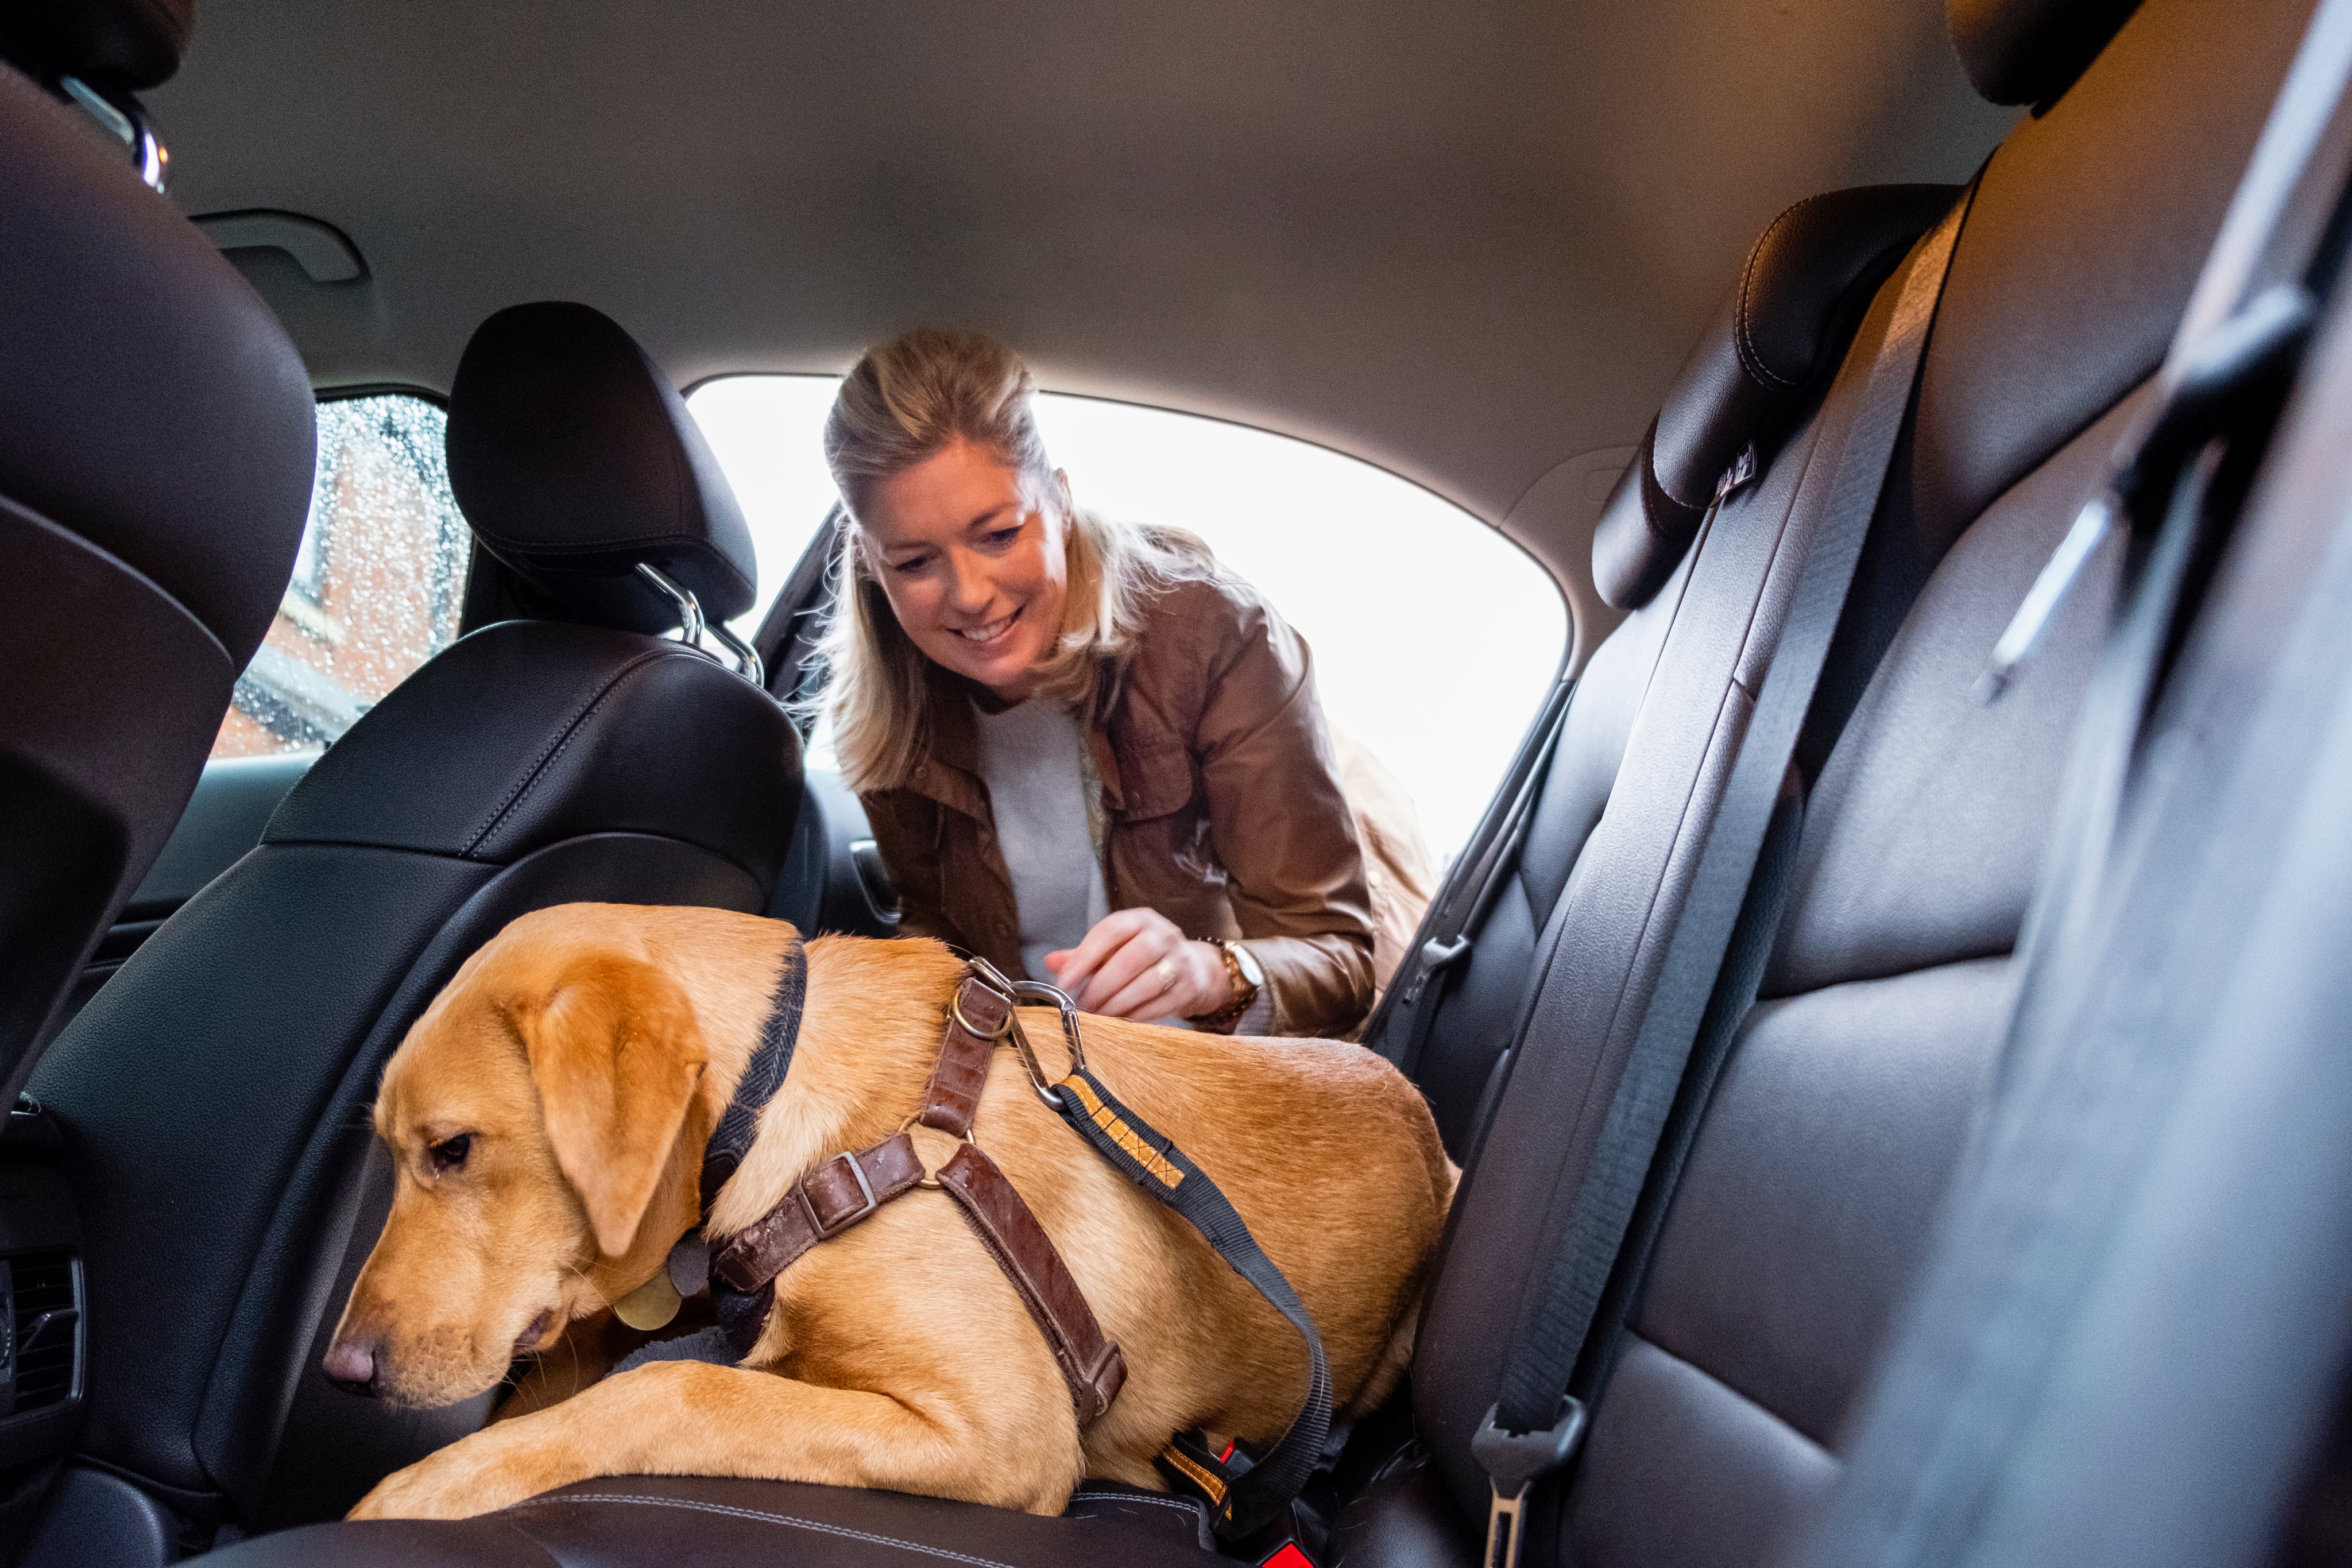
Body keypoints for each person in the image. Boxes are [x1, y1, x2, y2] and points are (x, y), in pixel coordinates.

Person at [814, 327, 1404, 1037]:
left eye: (998, 533)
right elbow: (934, 931)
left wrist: (1202, 972)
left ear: (1059, 503)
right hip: (1026, 1082)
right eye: (914, 562)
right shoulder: (889, 712)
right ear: (872, 564)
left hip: (1214, 1071)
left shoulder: (1213, 634)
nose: (969, 595)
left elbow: (1338, 961)